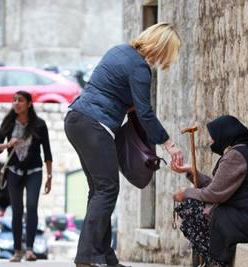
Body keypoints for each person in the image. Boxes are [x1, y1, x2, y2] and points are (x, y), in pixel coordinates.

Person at [64, 22, 183, 267]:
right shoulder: (140, 69)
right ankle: (86, 256)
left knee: (99, 191)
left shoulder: (118, 51)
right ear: (161, 48)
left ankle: (105, 256)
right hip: (95, 125)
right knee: (107, 190)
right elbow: (145, 113)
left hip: (76, 119)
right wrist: (169, 144)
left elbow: (112, 92)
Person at [172, 115, 248, 267]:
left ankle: (214, 260)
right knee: (204, 209)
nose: (211, 142)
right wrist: (192, 173)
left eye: (213, 137)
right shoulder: (244, 151)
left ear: (224, 135)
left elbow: (214, 194)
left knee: (191, 208)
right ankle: (213, 259)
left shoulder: (235, 156)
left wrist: (185, 193)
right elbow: (218, 187)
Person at [0, 91, 52, 262]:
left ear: (29, 104)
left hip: (34, 171)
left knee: (32, 207)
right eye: (14, 100)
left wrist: (49, 176)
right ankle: (17, 251)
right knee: (17, 211)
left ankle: (30, 250)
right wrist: (7, 144)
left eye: (20, 100)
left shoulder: (39, 124)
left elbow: (47, 152)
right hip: (14, 171)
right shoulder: (8, 122)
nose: (16, 103)